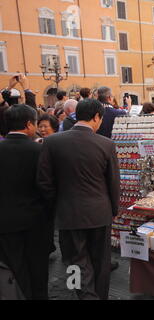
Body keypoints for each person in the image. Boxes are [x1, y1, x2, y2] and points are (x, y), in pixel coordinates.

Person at [37, 99, 120, 300]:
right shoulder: (106, 144)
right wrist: (113, 210)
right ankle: (98, 296)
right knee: (100, 262)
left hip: (68, 213)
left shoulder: (52, 142)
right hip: (99, 213)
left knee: (74, 261)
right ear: (96, 117)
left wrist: (57, 204)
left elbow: (44, 181)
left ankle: (82, 295)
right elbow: (113, 182)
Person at [0, 104, 49, 299]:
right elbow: (47, 187)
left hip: (5, 222)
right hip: (36, 221)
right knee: (38, 269)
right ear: (29, 124)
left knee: (14, 269)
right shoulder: (39, 150)